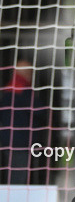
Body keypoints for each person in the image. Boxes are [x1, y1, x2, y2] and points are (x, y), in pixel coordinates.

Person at [0, 55, 50, 185]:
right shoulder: (23, 90)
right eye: (30, 72)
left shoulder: (8, 89)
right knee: (18, 177)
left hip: (8, 140)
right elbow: (40, 111)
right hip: (20, 142)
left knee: (12, 174)